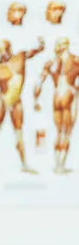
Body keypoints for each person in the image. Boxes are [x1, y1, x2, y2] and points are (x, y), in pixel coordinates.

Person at [0, 37, 45, 179]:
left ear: (9, 48)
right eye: (0, 51)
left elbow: (33, 52)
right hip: (2, 100)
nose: (3, 53)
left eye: (5, 49)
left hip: (16, 101)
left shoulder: (20, 58)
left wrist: (41, 46)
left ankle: (24, 165)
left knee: (19, 133)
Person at [34, 38, 79, 175]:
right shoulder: (75, 60)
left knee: (59, 131)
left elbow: (38, 83)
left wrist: (36, 100)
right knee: (67, 132)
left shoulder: (51, 63)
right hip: (68, 94)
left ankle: (57, 164)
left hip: (56, 96)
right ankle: (61, 165)